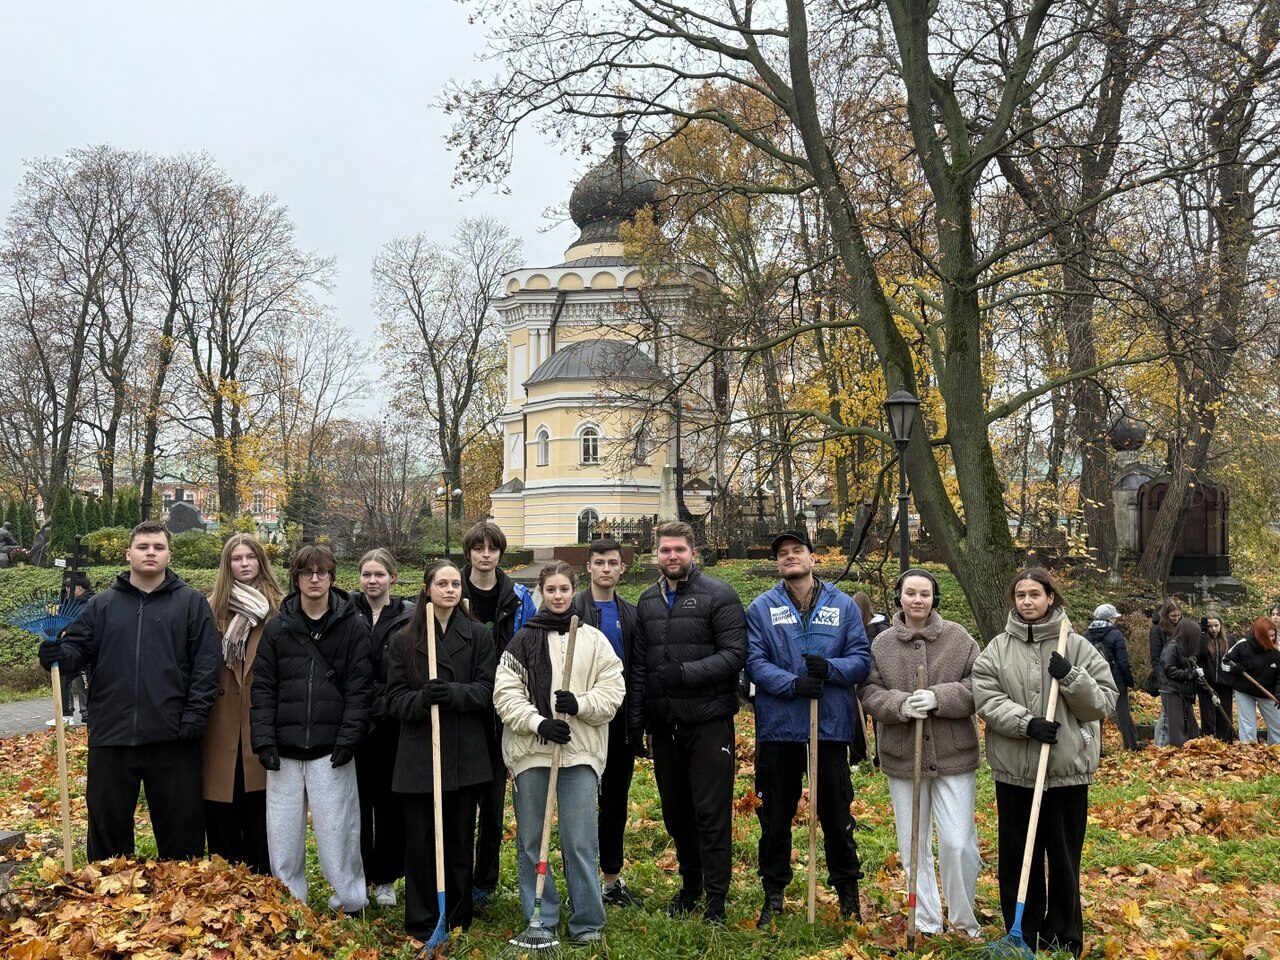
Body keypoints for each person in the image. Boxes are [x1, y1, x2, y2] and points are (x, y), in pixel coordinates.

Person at [39, 521, 221, 860]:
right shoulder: (101, 606)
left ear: (169, 554)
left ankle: (181, 900)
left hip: (173, 736)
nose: (150, 552)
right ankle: (108, 898)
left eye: (158, 547)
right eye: (143, 546)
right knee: (108, 832)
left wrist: (195, 716)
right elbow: (75, 654)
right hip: (112, 734)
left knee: (181, 832)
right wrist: (56, 656)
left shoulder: (191, 604)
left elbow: (207, 665)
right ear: (128, 554)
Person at [973, 568, 1117, 959]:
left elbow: (1102, 702)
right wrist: (1027, 723)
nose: (1027, 601)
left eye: (1035, 594)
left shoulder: (1079, 647)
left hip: (1068, 771)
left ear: (1050, 598)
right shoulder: (998, 648)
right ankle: (1022, 930)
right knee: (1019, 857)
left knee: (1065, 857)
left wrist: (1071, 676)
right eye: (1020, 595)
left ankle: (1065, 935)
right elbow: (985, 697)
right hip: (1016, 771)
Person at [494, 561, 624, 946]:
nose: (557, 596)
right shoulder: (522, 641)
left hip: (579, 752)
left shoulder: (594, 640)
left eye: (564, 589)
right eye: (550, 589)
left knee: (579, 839)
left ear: (573, 591)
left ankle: (587, 920)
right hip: (532, 752)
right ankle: (542, 916)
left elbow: (613, 691)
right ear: (541, 593)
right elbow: (505, 693)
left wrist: (580, 704)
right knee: (533, 839)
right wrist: (538, 723)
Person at [745, 530, 869, 926]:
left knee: (836, 815)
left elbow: (862, 659)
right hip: (779, 728)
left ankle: (848, 894)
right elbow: (754, 661)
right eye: (782, 553)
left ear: (813, 558)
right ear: (778, 564)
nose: (790, 557)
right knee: (775, 817)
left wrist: (831, 670)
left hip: (829, 727)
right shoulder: (762, 608)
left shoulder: (843, 605)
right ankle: (774, 894)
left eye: (797, 551)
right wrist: (791, 683)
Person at [629, 520, 747, 924]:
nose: (672, 556)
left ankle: (716, 898)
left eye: (679, 549)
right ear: (655, 554)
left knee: (710, 812)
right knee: (676, 812)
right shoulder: (647, 601)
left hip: (709, 721)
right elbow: (641, 667)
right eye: (665, 550)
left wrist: (686, 673)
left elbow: (734, 655)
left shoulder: (719, 595)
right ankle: (691, 885)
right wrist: (637, 720)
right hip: (665, 725)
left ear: (693, 552)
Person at [250, 544, 374, 912]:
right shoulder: (278, 628)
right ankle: (290, 900)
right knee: (284, 836)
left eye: (322, 572)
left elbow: (360, 688)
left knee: (339, 832)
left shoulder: (352, 626)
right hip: (285, 750)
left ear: (332, 576)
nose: (315, 579)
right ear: (297, 578)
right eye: (307, 573)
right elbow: (263, 688)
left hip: (330, 749)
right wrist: (264, 740)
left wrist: (349, 738)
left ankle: (350, 899)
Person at [861, 568, 981, 938]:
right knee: (913, 843)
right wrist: (899, 705)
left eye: (925, 594)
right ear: (899, 597)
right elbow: (868, 690)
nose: (917, 600)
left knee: (958, 841)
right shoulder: (881, 644)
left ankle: (964, 919)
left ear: (934, 598)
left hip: (953, 754)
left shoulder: (958, 638)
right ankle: (926, 919)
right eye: (910, 593)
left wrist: (941, 697)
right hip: (903, 757)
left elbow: (981, 683)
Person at [385, 559, 495, 942]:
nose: (450, 590)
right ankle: (421, 918)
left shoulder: (478, 636)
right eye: (442, 584)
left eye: (455, 584)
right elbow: (394, 700)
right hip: (420, 755)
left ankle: (458, 916)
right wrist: (420, 700)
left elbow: (486, 691)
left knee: (460, 839)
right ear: (427, 588)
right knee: (421, 841)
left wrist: (451, 694)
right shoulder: (404, 639)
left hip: (465, 752)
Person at [458, 520, 536, 907]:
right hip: (462, 708)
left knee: (491, 806)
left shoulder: (519, 597)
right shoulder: (452, 588)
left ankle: (483, 882)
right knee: (459, 803)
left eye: (492, 549)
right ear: (469, 552)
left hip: (501, 712)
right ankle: (454, 876)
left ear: (500, 554)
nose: (485, 555)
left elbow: (533, 647)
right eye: (478, 549)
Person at [570, 538, 644, 908]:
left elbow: (638, 671)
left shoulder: (630, 614)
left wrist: (636, 722)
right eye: (599, 562)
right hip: (580, 722)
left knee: (615, 801)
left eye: (612, 563)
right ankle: (578, 881)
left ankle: (611, 879)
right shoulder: (571, 608)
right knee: (579, 802)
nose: (605, 569)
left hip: (619, 725)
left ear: (621, 568)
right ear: (589, 567)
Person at [203, 534, 283, 873]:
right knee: (221, 801)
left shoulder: (279, 608)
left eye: (250, 556)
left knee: (259, 804)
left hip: (260, 718)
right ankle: (225, 879)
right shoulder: (210, 608)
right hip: (219, 722)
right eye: (237, 558)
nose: (244, 564)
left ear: (261, 561)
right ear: (228, 565)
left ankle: (263, 878)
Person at [350, 548, 415, 908]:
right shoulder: (347, 612)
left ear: (392, 576)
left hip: (392, 722)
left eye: (379, 574)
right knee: (355, 804)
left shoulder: (408, 616)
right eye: (367, 574)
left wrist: (385, 701)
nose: (372, 581)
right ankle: (356, 874)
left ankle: (386, 878)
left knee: (390, 806)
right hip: (356, 722)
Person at [1085, 604, 1140, 751]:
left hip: (1094, 678)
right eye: (1114, 617)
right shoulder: (1116, 634)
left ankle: (1097, 749)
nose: (1116, 620)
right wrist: (1129, 681)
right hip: (1116, 679)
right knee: (1123, 712)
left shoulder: (1086, 635)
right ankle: (1131, 744)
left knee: (1097, 714)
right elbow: (1123, 661)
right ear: (1110, 619)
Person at [1222, 616, 1280, 744]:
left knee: (1278, 724)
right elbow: (1225, 662)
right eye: (1268, 636)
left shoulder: (1276, 652)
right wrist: (1234, 668)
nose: (1271, 639)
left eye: (1273, 636)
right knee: (1247, 724)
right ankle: (1249, 753)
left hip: (1267, 692)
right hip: (1244, 691)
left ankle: (1276, 751)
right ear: (1259, 635)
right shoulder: (1243, 645)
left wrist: (1279, 693)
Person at [50, 573, 95, 728]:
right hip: (68, 647)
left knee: (84, 683)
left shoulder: (89, 603)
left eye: (70, 587)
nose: (67, 589)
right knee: (64, 679)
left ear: (80, 588)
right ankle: (66, 714)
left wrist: (67, 631)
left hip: (84, 649)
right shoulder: (70, 602)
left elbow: (80, 623)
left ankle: (88, 714)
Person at [1158, 618, 1202, 747]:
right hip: (1171, 689)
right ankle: (1176, 747)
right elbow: (1169, 670)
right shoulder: (1172, 647)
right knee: (1175, 722)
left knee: (1185, 720)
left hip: (1180, 689)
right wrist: (1192, 674)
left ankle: (1187, 744)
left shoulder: (1182, 647)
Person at [1148, 601, 1182, 747]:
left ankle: (1171, 740)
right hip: (1165, 676)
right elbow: (1155, 658)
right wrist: (1162, 676)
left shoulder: (1180, 628)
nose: (1176, 618)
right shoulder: (1157, 630)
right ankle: (1161, 743)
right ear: (1166, 615)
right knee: (1166, 712)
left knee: (1174, 711)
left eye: (1179, 615)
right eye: (1173, 616)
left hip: (1179, 674)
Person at [1201, 615, 1234, 742]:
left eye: (1216, 625)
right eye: (1210, 626)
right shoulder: (1203, 640)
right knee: (1208, 716)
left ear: (1221, 625)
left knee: (1225, 715)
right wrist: (1203, 632)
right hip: (1207, 684)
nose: (1214, 629)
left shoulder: (1229, 640)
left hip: (1225, 684)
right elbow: (1199, 653)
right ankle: (1208, 742)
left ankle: (1226, 741)